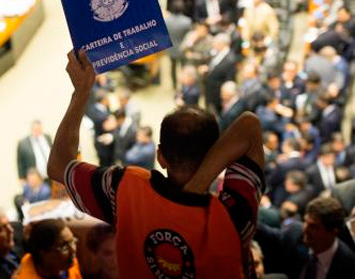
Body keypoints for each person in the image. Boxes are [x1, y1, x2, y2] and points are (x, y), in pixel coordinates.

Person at [48, 50, 265, 277]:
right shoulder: (233, 218)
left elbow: (58, 165)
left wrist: (81, 91)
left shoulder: (124, 188)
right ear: (215, 155)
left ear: (160, 156)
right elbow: (249, 125)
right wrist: (194, 190)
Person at [255, 197, 355, 278]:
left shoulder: (347, 265)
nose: (306, 230)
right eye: (306, 222)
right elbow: (268, 235)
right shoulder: (295, 234)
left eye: (313, 227)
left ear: (333, 232)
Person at [15, 219, 81, 279]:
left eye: (72, 241)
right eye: (64, 247)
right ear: (43, 253)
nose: (73, 250)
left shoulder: (66, 262)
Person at [199, 33, 237, 114]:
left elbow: (229, 80)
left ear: (222, 44)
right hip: (210, 91)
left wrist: (226, 98)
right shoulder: (217, 53)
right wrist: (208, 69)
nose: (213, 45)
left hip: (218, 96)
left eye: (215, 43)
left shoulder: (230, 59)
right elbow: (215, 66)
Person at [164, 0, 192, 89]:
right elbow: (189, 37)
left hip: (171, 48)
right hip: (182, 49)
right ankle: (184, 85)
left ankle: (174, 84)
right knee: (184, 67)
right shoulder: (187, 21)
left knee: (172, 67)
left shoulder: (167, 20)